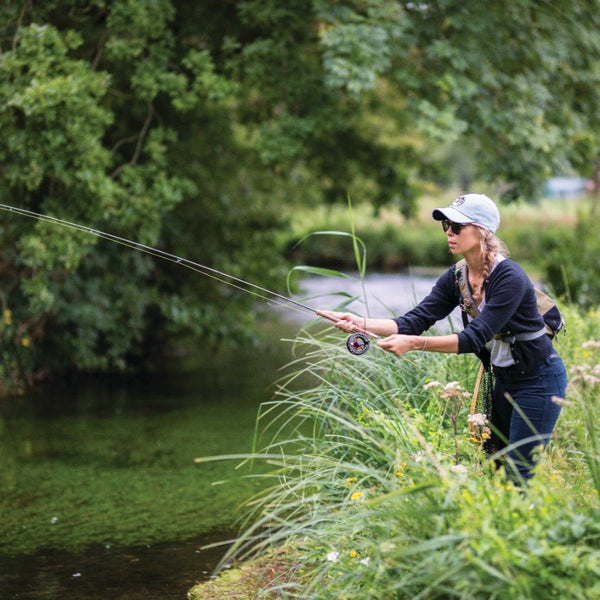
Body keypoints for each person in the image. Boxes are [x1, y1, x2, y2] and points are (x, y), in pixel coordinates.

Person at [318, 193, 567, 483]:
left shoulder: (509, 277)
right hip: (505, 381)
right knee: (497, 467)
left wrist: (413, 345)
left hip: (539, 381)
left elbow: (473, 338)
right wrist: (359, 322)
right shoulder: (457, 276)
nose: (449, 232)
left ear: (482, 231)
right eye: (446, 225)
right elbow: (414, 321)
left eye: (457, 226)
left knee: (519, 474)